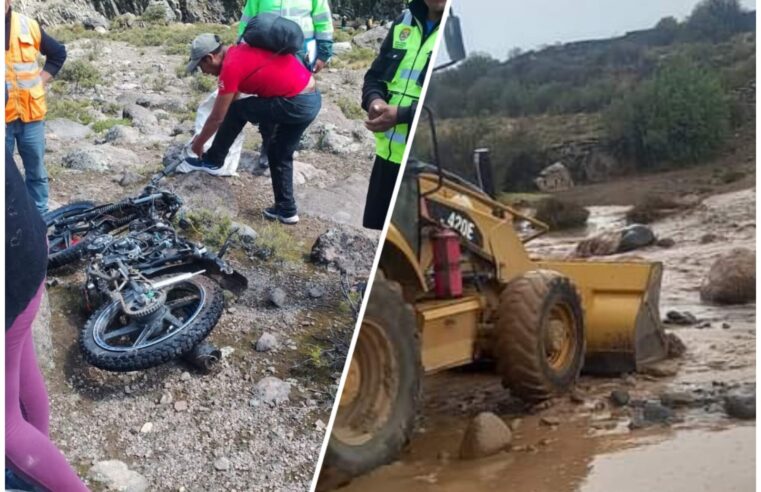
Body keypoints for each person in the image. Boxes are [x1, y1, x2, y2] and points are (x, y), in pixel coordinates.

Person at [6, 158, 90, 491]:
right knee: (22, 376)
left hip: (10, 272)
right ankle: (33, 465)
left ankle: (31, 463)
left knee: (6, 428)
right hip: (27, 241)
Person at [185, 33, 321, 225]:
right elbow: (234, 95)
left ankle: (213, 160)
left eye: (201, 67)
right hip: (311, 98)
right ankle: (287, 210)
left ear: (210, 58)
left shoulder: (230, 67)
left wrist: (198, 144)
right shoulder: (239, 52)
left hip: (296, 103)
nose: (204, 72)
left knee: (237, 111)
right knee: (279, 152)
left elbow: (217, 117)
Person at [361, 0, 445, 230]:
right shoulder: (403, 22)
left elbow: (447, 101)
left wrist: (403, 114)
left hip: (422, 167)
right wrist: (374, 100)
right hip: (387, 157)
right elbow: (374, 77)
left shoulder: (450, 34)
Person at [237, 0, 334, 170]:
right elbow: (248, 18)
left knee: (295, 99)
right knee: (268, 100)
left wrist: (324, 52)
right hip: (267, 51)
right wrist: (241, 45)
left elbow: (323, 19)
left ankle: (285, 149)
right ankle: (267, 145)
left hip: (301, 52)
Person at [5, 0, 67, 215]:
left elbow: (58, 54)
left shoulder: (28, 25)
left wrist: (40, 80)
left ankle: (40, 220)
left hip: (31, 116)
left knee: (37, 172)